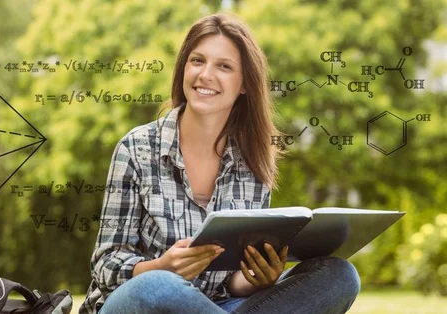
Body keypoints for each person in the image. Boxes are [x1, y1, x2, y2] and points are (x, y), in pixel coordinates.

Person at [78, 13, 360, 314]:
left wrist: (254, 279)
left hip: (218, 306)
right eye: (197, 61)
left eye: (224, 66)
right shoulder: (136, 148)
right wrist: (160, 267)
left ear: (244, 85)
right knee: (159, 285)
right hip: (137, 304)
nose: (205, 75)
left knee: (339, 275)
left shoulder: (253, 160)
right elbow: (105, 264)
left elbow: (229, 283)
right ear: (183, 69)